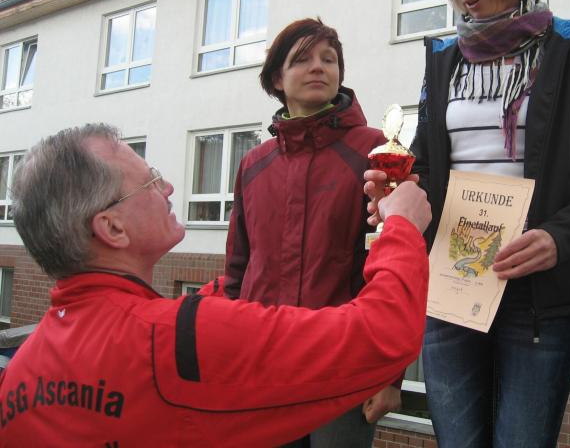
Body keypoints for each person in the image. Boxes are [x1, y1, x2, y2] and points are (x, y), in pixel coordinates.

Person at [367, 0, 570, 447]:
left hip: (538, 294)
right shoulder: (443, 57)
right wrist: (400, 190)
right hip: (452, 284)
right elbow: (429, 162)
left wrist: (559, 237)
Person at [0, 123, 431, 446]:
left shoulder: (21, 372)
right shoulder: (182, 339)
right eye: (150, 181)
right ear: (112, 228)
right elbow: (383, 335)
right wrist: (401, 225)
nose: (169, 187)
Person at [224, 17, 401, 447]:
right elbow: (238, 267)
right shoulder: (254, 164)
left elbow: (392, 264)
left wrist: (390, 373)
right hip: (262, 362)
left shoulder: (376, 149)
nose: (319, 67)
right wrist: (226, 351)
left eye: (329, 59)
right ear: (277, 79)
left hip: (342, 366)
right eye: (302, 59)